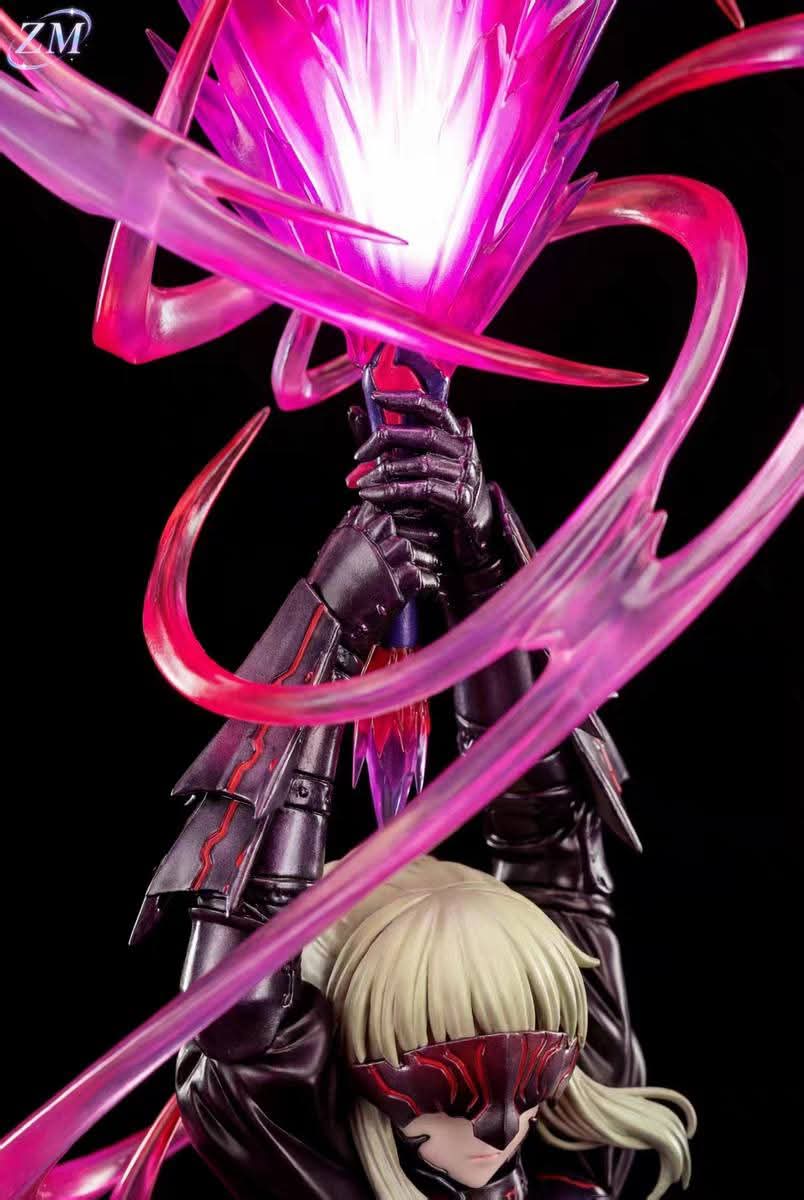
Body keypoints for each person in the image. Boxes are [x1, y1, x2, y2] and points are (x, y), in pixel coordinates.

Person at [133, 350, 691, 1198]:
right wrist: (330, 618)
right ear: (354, 1068)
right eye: (447, 1081)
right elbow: (239, 1013)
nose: (503, 1126)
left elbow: (554, 845)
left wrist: (479, 555)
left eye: (538, 1073)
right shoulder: (322, 1172)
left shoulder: (568, 1161)